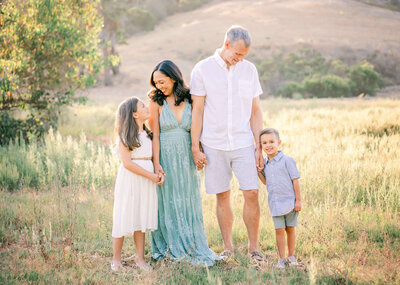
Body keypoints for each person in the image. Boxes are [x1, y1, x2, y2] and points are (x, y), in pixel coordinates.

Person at [190, 25, 264, 262]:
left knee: (252, 192)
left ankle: (254, 248)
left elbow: (255, 111)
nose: (240, 59)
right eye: (238, 54)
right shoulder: (202, 69)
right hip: (213, 143)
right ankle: (228, 248)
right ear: (226, 44)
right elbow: (198, 112)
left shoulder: (249, 70)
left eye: (244, 55)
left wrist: (258, 145)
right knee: (222, 195)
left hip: (243, 142)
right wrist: (195, 146)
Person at [148, 60, 221, 266]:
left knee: (188, 199)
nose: (159, 86)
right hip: (166, 156)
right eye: (156, 83)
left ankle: (192, 245)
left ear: (173, 77)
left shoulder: (190, 99)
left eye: (162, 81)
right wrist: (156, 163)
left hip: (187, 156)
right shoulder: (156, 102)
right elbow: (155, 136)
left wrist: (199, 152)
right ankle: (170, 245)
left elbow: (199, 127)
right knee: (168, 201)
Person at [111, 97, 164, 272]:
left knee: (140, 218)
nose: (146, 107)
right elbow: (127, 163)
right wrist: (150, 175)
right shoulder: (125, 136)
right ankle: (116, 259)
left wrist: (157, 172)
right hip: (131, 179)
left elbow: (153, 157)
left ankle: (140, 259)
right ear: (134, 114)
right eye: (142, 106)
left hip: (147, 178)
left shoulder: (148, 134)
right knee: (124, 215)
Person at [257, 128, 302, 269]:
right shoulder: (265, 164)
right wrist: (259, 172)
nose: (268, 145)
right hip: (275, 204)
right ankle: (281, 259)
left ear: (279, 142)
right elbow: (266, 182)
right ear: (261, 146)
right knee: (279, 231)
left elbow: (295, 180)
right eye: (264, 143)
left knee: (290, 229)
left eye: (271, 141)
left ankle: (291, 256)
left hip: (290, 202)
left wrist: (298, 200)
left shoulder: (287, 161)